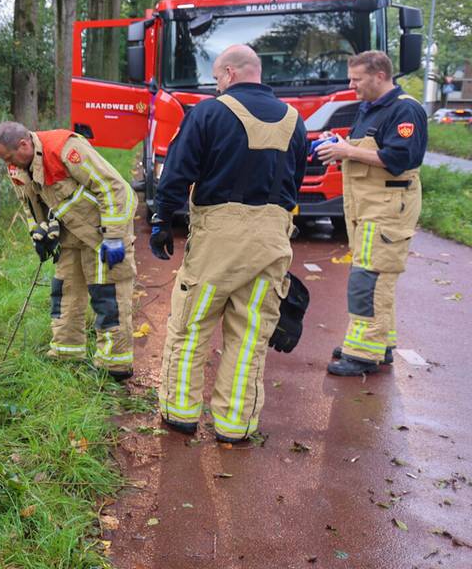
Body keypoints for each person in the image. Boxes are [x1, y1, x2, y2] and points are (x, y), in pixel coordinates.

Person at [149, 44, 307, 443]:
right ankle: (236, 426)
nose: (216, 85)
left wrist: (162, 220)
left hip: (219, 239)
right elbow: (296, 178)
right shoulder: (295, 121)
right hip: (273, 238)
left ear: (231, 74)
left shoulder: (208, 113)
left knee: (191, 325)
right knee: (251, 335)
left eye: (218, 77)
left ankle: (180, 414)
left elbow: (177, 171)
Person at [0, 121, 137, 380]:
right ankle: (66, 353)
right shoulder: (17, 167)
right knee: (64, 293)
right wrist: (39, 234)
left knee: (107, 296)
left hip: (101, 233)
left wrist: (114, 236)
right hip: (70, 237)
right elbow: (29, 205)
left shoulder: (65, 149)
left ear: (23, 145)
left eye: (9, 157)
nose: (7, 164)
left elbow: (114, 188)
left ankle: (114, 365)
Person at [316, 51, 427, 376]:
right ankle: (382, 344)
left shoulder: (405, 109)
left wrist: (347, 150)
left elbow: (401, 157)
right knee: (374, 274)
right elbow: (369, 147)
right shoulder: (373, 107)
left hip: (388, 208)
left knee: (371, 278)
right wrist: (339, 143)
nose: (351, 85)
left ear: (379, 76)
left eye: (357, 79)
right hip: (370, 207)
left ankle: (363, 353)